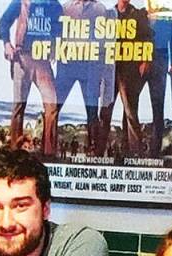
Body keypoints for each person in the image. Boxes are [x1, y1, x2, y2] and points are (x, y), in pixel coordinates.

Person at [0, 0, 63, 157]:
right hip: (22, 57)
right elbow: (4, 20)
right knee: (19, 105)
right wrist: (7, 44)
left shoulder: (54, 5)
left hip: (42, 60)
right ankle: (15, 151)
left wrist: (56, 46)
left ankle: (49, 153)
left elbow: (61, 28)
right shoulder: (20, 2)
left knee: (52, 104)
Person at [55, 0, 113, 157]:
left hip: (90, 67)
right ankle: (47, 144)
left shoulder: (100, 9)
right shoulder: (66, 8)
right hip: (67, 64)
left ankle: (93, 148)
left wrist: (100, 67)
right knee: (53, 106)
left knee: (92, 109)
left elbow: (104, 40)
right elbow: (57, 33)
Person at [99, 0, 152, 157]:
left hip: (129, 69)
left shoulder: (137, 14)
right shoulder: (108, 14)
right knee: (105, 111)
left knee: (130, 111)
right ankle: (98, 151)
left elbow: (147, 38)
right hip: (109, 69)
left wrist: (145, 60)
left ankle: (134, 152)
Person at [145, 10, 172, 158]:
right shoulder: (142, 13)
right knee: (131, 102)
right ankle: (132, 147)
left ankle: (155, 150)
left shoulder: (169, 16)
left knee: (158, 106)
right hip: (141, 55)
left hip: (161, 58)